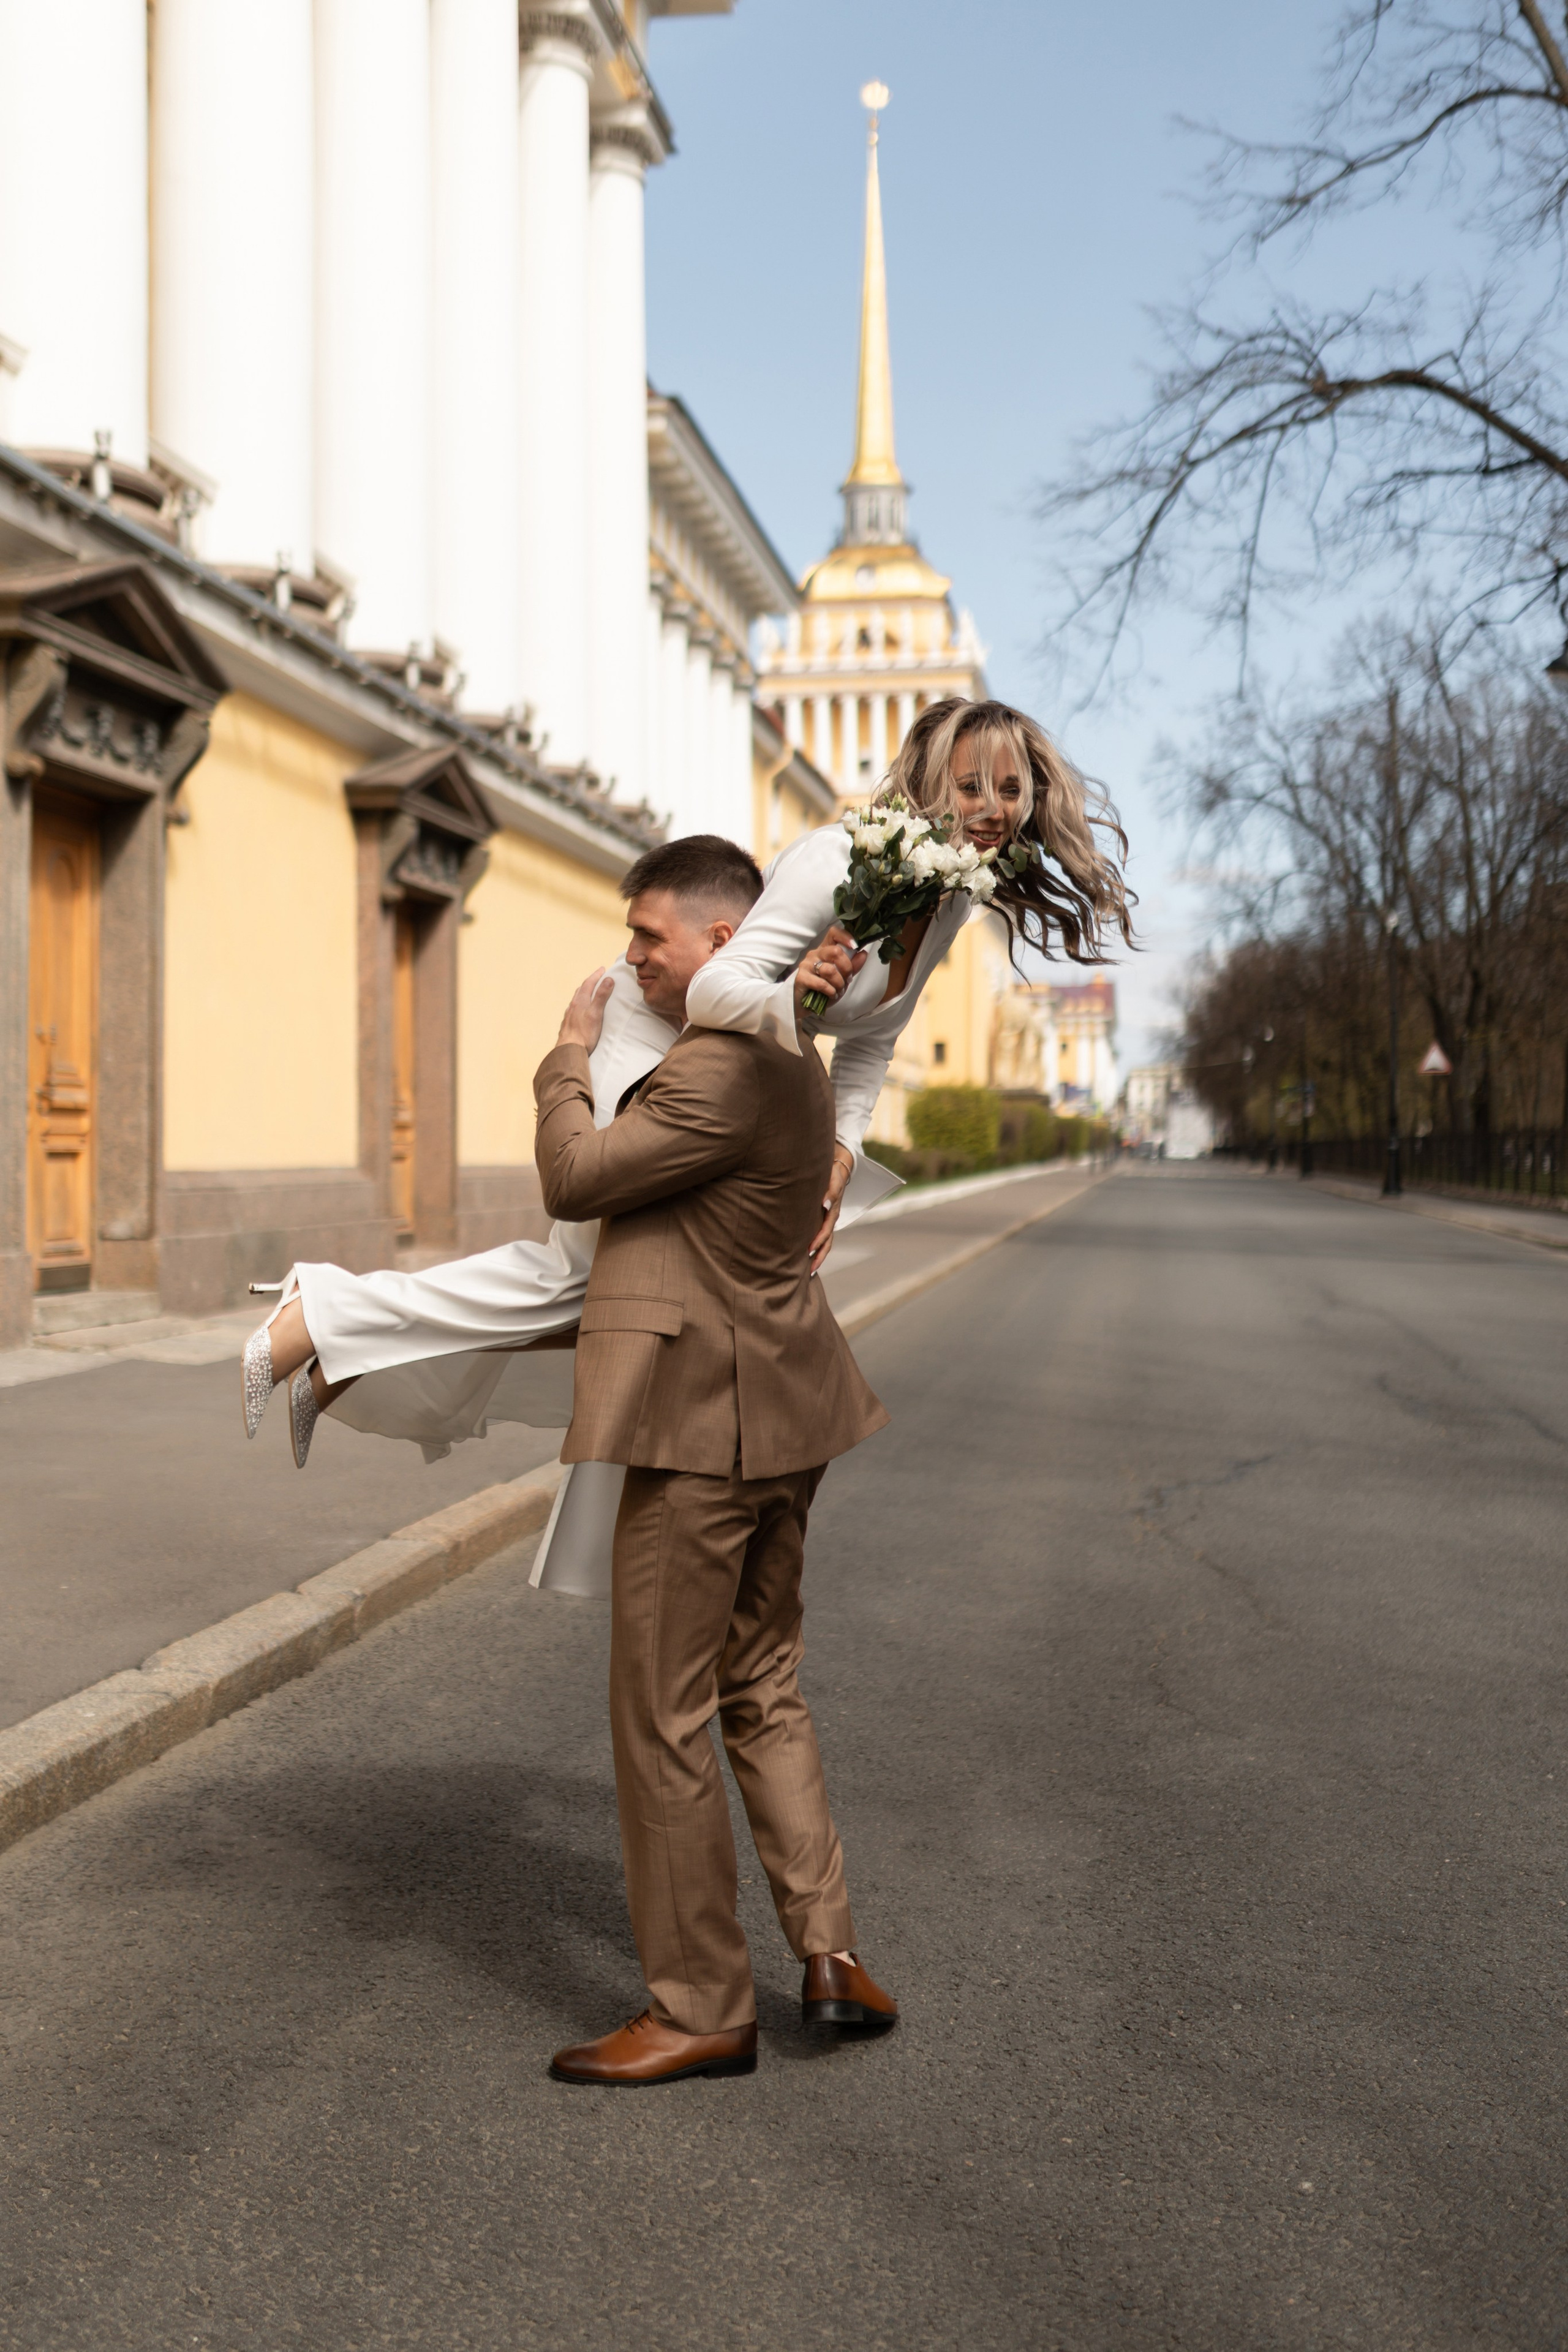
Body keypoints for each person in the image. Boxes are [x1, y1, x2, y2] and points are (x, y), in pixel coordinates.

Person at [240, 696, 1132, 1468]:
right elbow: (713, 985)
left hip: (736, 1061)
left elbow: (875, 1037)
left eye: (1009, 789)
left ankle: (338, 1350)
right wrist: (794, 996)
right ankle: (318, 1321)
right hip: (657, 1023)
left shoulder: (953, 896)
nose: (992, 809)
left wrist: (842, 1152)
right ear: (931, 782)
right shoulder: (838, 861)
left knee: (626, 1291)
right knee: (592, 1280)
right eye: (971, 786)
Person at [535, 941, 895, 2084]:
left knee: (663, 1710)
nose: (633, 957)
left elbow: (575, 1177)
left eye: (655, 935)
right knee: (763, 1682)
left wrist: (568, 1057)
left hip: (702, 1427)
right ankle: (830, 1952)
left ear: (730, 940)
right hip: (790, 1408)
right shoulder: (797, 1056)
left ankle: (700, 2008)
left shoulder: (716, 1063)